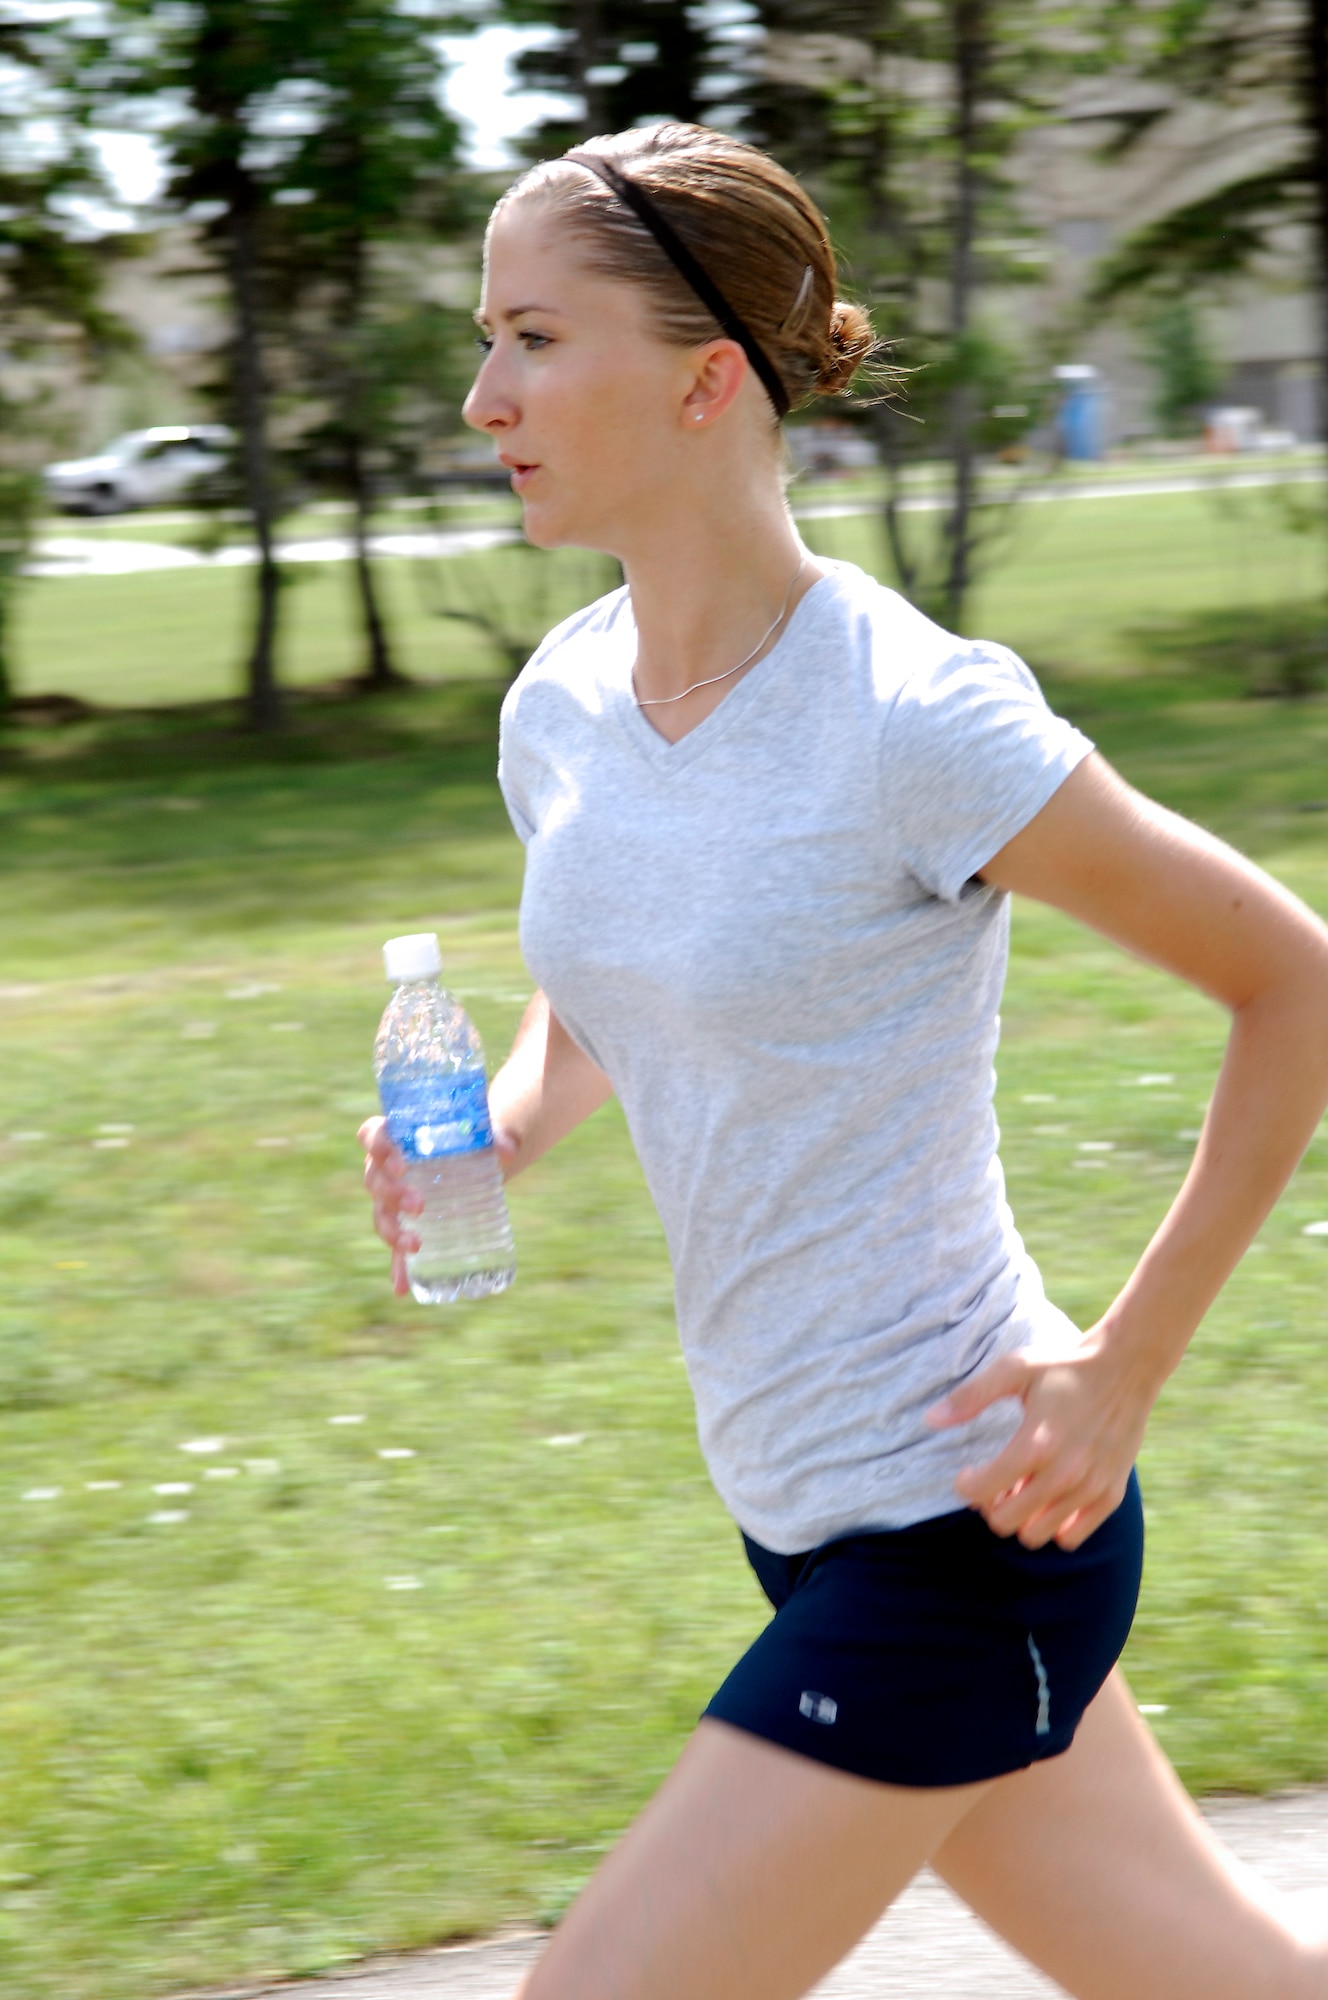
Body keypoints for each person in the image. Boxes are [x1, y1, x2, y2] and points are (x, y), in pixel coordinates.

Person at [360, 122, 1328, 2000]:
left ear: (708, 376)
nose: (484, 396)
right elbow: (621, 982)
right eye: (486, 339)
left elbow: (1295, 982)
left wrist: (1123, 1373)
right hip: (795, 1504)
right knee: (1209, 1981)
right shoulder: (562, 704)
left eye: (536, 340)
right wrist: (504, 1125)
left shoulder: (911, 717)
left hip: (965, 1516)